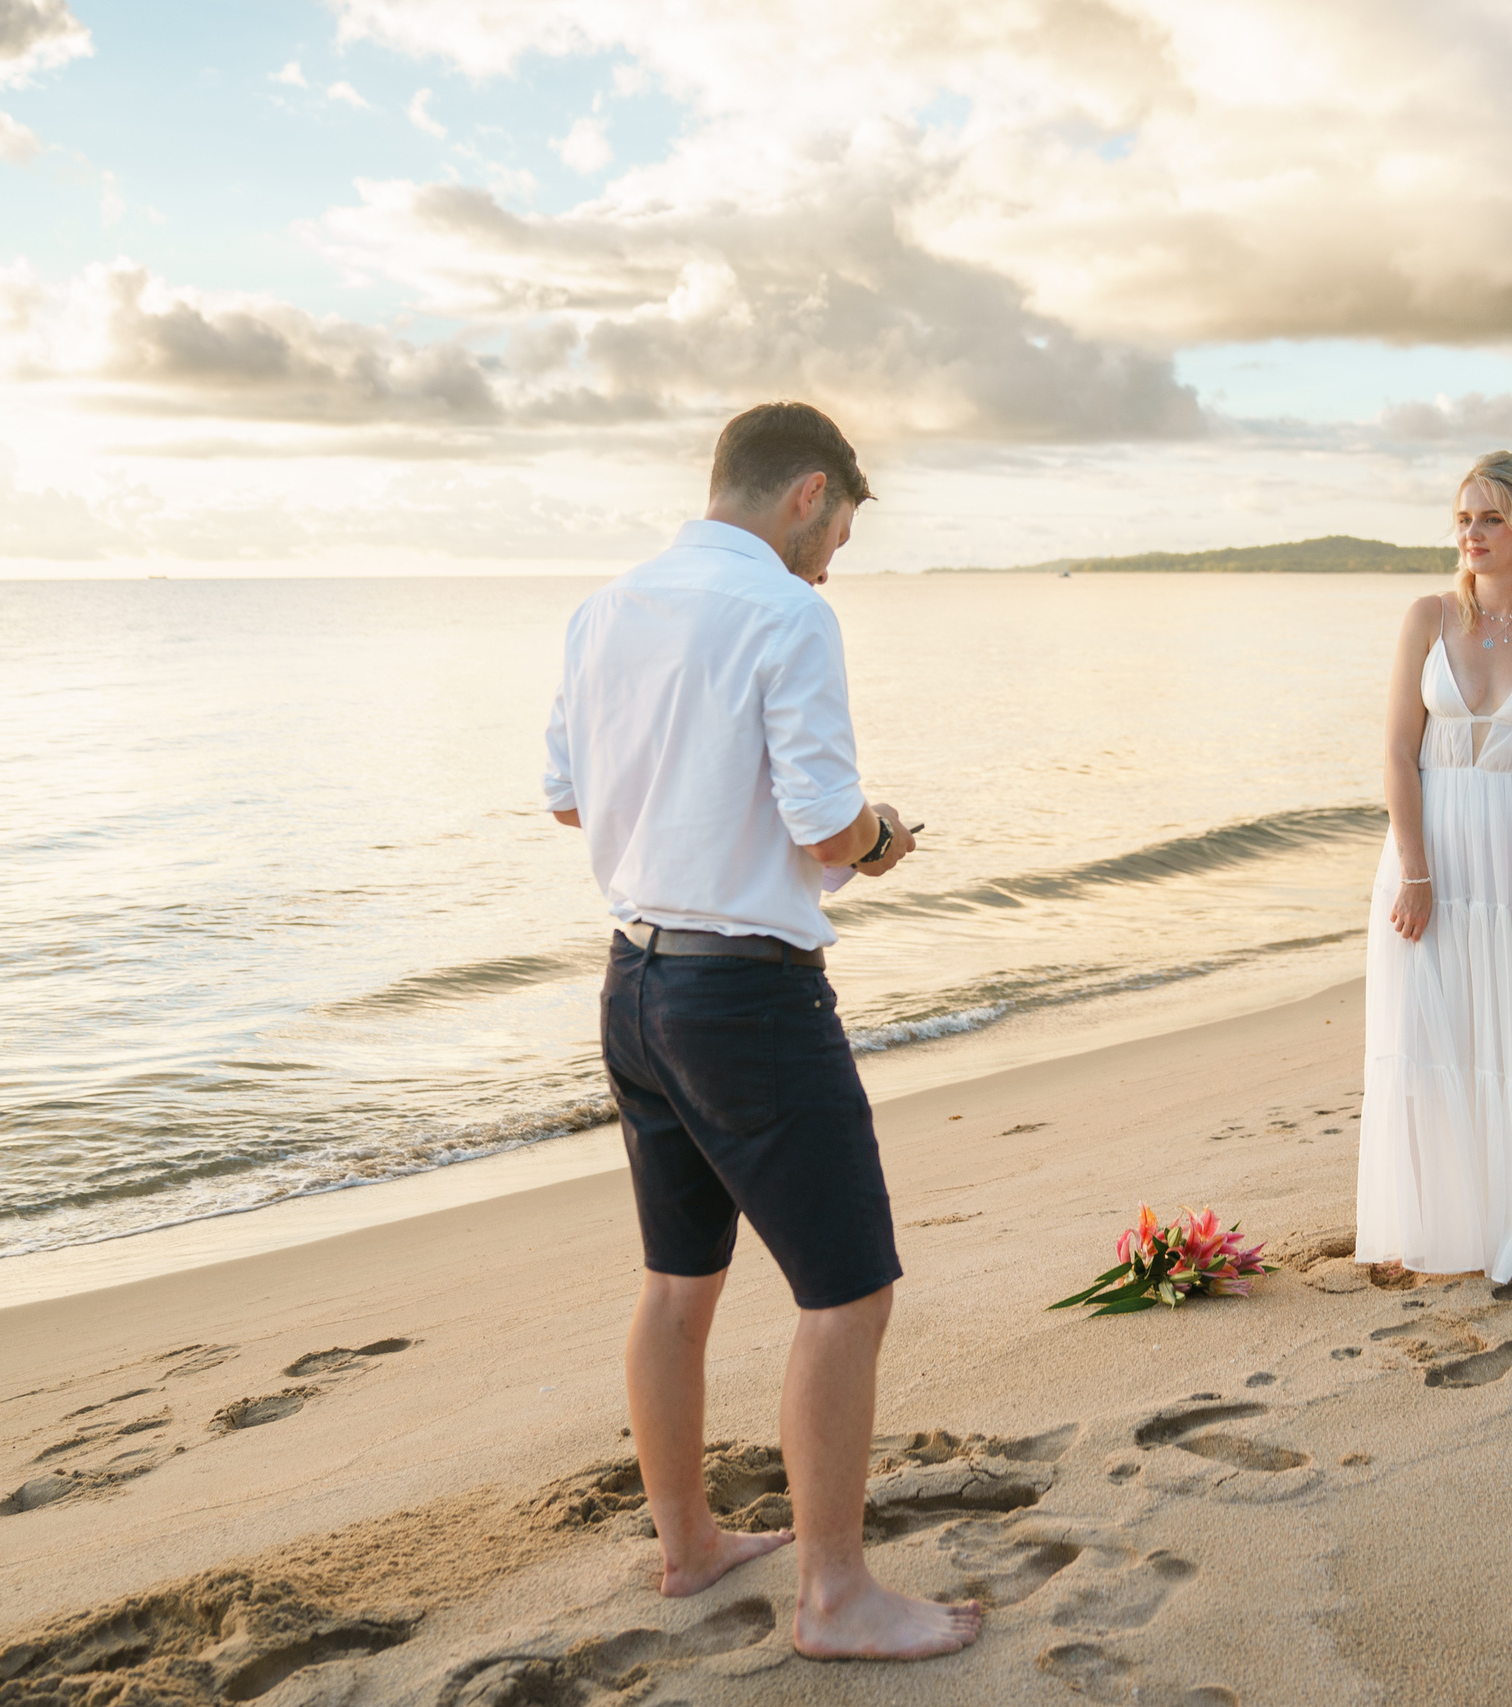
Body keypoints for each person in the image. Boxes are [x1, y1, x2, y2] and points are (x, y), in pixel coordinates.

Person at [542, 401, 980, 1660]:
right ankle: (837, 1596)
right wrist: (882, 838)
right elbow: (825, 828)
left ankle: (688, 1548)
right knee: (849, 1294)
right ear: (808, 493)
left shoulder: (605, 608)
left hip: (633, 985)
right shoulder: (788, 614)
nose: (837, 553)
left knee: (679, 1282)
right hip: (745, 996)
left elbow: (570, 803)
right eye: (841, 524)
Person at [1354, 451, 1512, 1282]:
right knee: (1430, 1038)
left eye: (1490, 518)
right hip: (1431, 856)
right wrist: (1414, 871)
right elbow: (1396, 751)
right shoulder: (1428, 616)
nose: (1472, 533)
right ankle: (1444, 1227)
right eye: (1463, 518)